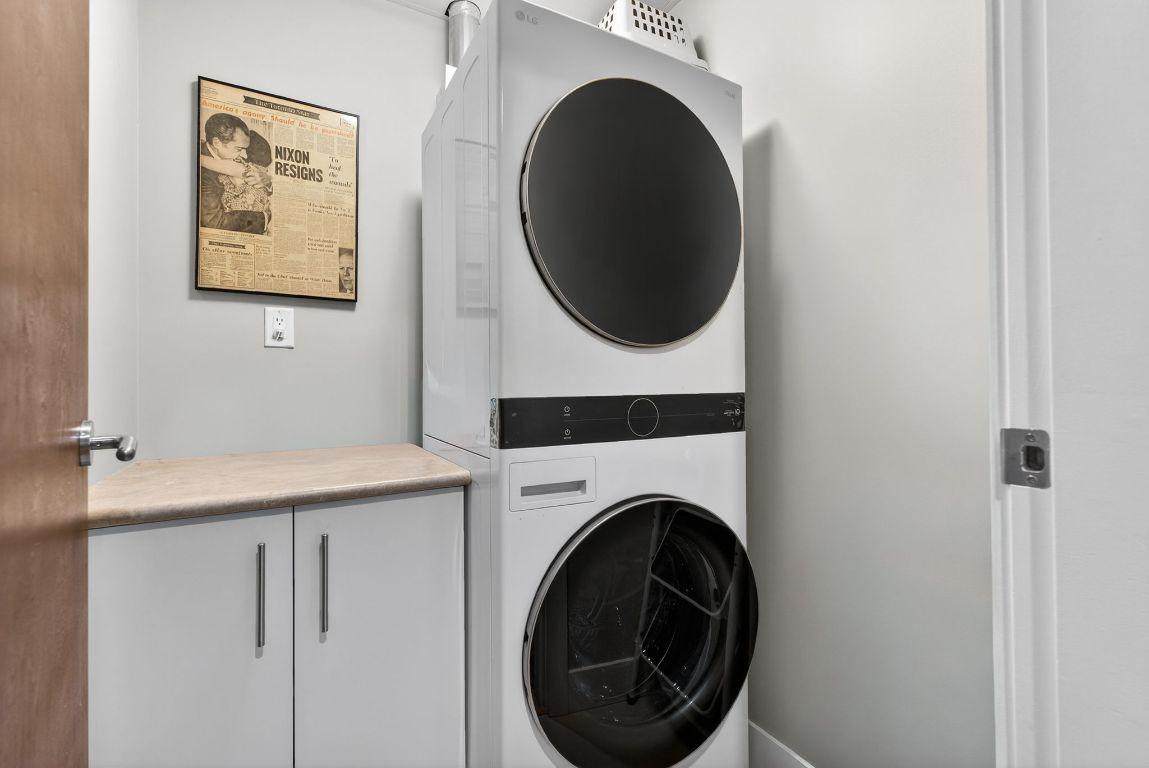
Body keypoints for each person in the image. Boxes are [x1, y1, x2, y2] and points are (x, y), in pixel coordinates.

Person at [199, 113, 272, 233]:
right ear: (217, 143)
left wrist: (268, 180)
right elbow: (214, 222)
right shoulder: (205, 175)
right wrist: (264, 218)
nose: (244, 155)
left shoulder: (244, 142)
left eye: (245, 149)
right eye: (238, 149)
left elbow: (255, 143)